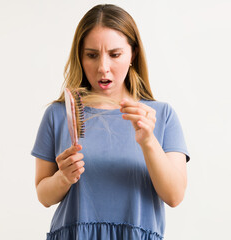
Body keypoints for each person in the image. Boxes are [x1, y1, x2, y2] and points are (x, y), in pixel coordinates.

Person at [31, 4, 189, 240]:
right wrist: (62, 177)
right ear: (80, 56)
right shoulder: (59, 114)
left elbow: (174, 196)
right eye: (91, 55)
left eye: (115, 55)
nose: (103, 67)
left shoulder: (162, 115)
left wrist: (147, 140)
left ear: (132, 54)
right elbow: (44, 196)